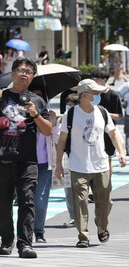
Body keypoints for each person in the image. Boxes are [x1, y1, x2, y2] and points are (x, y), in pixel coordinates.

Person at [0, 57, 52, 258]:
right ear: (13, 74)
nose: (24, 74)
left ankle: (25, 244)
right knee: (3, 202)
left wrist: (36, 115)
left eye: (28, 71)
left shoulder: (37, 101)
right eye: (20, 70)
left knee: (27, 201)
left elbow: (47, 130)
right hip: (3, 159)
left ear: (33, 76)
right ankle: (7, 241)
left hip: (28, 161)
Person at [55, 79, 127, 248]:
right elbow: (62, 140)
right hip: (78, 165)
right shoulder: (70, 115)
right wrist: (58, 164)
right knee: (80, 202)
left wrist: (122, 153)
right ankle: (83, 236)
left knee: (106, 202)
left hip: (101, 165)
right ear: (85, 95)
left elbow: (114, 134)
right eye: (95, 93)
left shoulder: (102, 112)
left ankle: (101, 225)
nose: (98, 96)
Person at [30, 88, 56, 244]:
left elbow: (57, 137)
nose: (36, 99)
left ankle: (39, 231)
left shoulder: (48, 117)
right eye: (33, 95)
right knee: (25, 199)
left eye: (39, 96)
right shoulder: (21, 116)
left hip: (44, 164)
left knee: (40, 199)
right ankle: (24, 231)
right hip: (24, 163)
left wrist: (54, 123)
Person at [59, 93, 80, 227]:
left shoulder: (82, 118)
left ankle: (81, 216)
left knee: (80, 190)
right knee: (68, 188)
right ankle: (73, 216)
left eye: (72, 105)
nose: (69, 108)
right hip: (67, 157)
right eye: (68, 105)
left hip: (81, 158)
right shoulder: (63, 119)